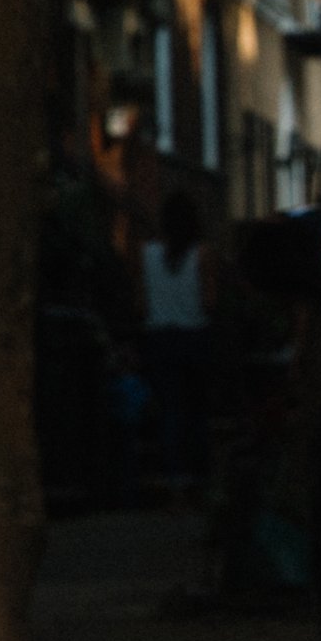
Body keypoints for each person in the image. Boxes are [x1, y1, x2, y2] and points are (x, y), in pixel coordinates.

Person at [136, 190, 217, 499]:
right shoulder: (202, 254)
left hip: (159, 337)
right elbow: (209, 302)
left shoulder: (147, 254)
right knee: (197, 411)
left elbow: (141, 302)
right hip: (194, 335)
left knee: (170, 410)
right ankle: (200, 480)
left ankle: (174, 481)